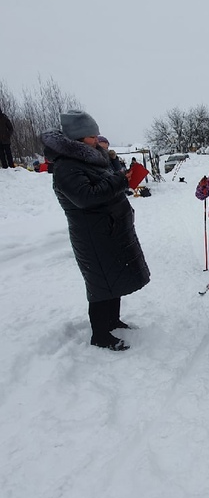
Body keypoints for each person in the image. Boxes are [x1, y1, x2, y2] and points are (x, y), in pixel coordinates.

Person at [42, 110, 150, 351]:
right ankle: (100, 334)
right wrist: (120, 181)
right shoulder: (66, 166)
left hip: (108, 229)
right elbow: (86, 197)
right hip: (92, 234)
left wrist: (123, 177)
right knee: (101, 283)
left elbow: (103, 185)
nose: (97, 139)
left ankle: (113, 320)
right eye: (92, 135)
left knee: (113, 278)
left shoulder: (89, 158)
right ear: (78, 138)